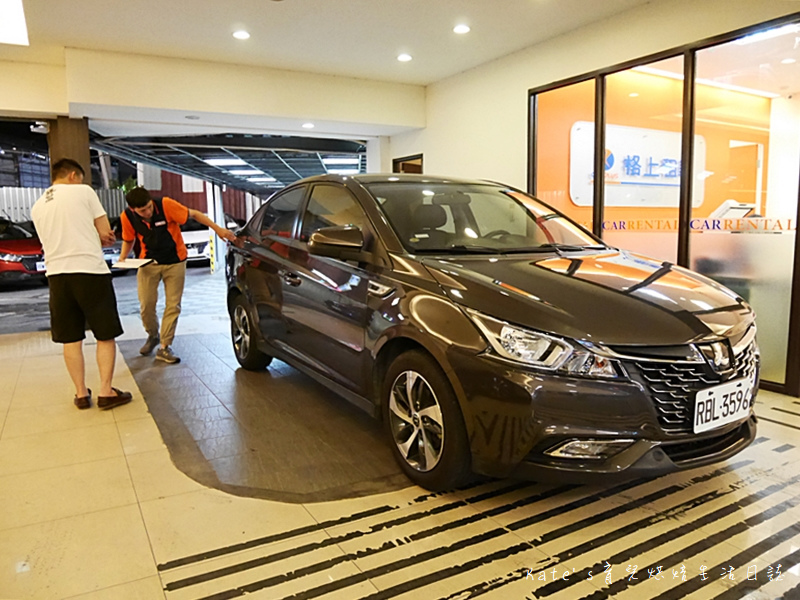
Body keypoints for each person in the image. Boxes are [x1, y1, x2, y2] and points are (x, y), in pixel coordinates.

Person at [31, 158, 132, 410]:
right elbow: (105, 232)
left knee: (71, 339)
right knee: (105, 335)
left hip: (56, 276)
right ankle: (106, 391)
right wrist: (104, 237)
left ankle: (80, 394)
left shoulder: (38, 205)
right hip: (90, 272)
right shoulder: (83, 191)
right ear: (74, 175)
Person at [119, 186, 237, 364]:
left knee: (173, 305)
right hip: (148, 264)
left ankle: (165, 346)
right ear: (133, 210)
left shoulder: (166, 205)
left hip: (175, 262)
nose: (148, 212)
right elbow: (129, 239)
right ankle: (153, 335)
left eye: (149, 207)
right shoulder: (127, 217)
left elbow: (195, 214)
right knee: (146, 305)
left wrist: (218, 229)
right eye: (143, 211)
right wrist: (122, 259)